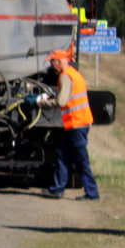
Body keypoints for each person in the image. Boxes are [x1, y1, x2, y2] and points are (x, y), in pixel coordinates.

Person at [43, 48, 99, 200]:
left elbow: (62, 101)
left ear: (59, 62)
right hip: (77, 124)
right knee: (63, 155)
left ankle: (92, 193)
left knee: (81, 160)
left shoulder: (65, 76)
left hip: (77, 124)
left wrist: (43, 103)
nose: (51, 66)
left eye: (52, 62)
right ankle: (57, 189)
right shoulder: (74, 74)